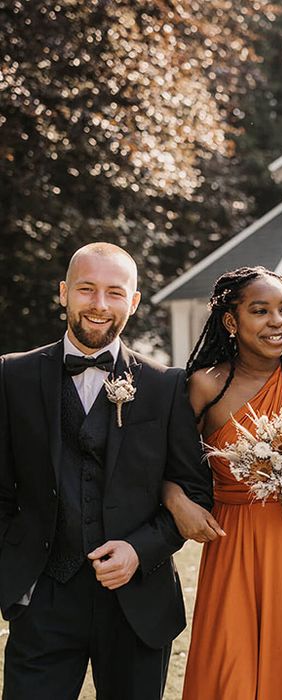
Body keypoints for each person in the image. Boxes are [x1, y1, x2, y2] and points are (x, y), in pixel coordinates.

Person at [0, 243, 212, 699]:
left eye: (114, 293)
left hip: (137, 602)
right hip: (43, 599)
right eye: (86, 289)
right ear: (63, 293)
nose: (99, 305)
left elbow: (194, 492)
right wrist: (17, 573)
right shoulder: (11, 376)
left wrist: (139, 550)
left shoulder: (164, 385)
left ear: (133, 302)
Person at [161, 266, 282, 699]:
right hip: (231, 544)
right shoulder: (203, 387)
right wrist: (176, 499)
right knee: (232, 666)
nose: (277, 321)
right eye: (260, 310)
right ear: (231, 322)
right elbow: (168, 467)